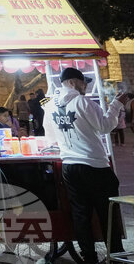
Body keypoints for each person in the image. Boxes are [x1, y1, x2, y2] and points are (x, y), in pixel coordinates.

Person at [45, 68, 129, 263]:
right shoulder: (83, 102)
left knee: (80, 214)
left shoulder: (50, 106)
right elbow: (106, 126)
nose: (86, 86)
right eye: (84, 83)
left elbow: (50, 137)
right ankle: (115, 256)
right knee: (107, 213)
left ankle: (88, 258)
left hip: (69, 167)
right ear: (74, 82)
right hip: (94, 165)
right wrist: (116, 104)